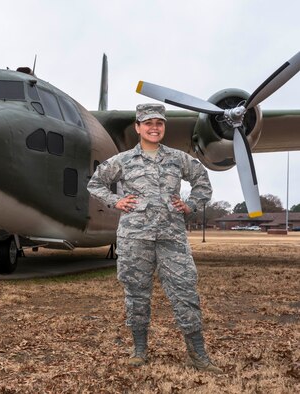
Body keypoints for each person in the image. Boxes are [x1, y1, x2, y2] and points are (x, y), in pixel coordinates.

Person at [87, 103, 222, 373]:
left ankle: (197, 354)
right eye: (148, 123)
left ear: (164, 127)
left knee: (185, 292)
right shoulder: (123, 160)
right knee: (137, 294)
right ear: (138, 127)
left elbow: (202, 181)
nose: (154, 127)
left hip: (171, 237)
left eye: (159, 123)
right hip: (134, 237)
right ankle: (139, 350)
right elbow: (95, 183)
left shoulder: (178, 158)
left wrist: (191, 204)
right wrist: (116, 200)